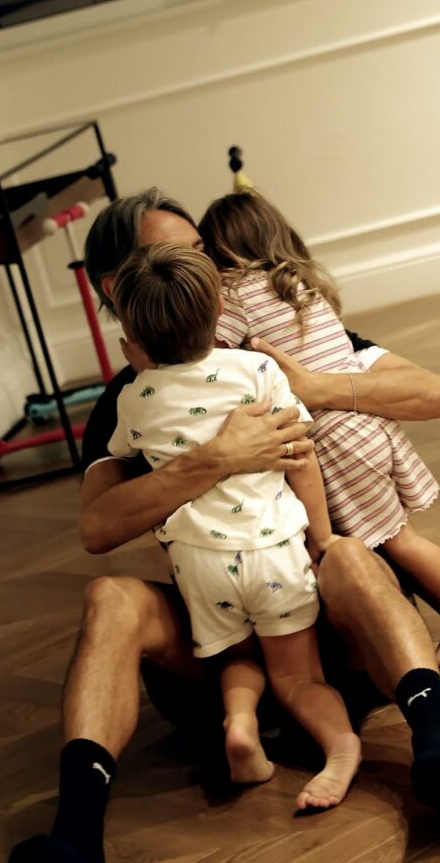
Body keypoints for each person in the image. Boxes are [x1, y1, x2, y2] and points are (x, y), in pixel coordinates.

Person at [10, 188, 440, 863]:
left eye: (200, 252)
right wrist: (214, 459)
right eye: (173, 255)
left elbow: (437, 393)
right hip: (214, 652)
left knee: (350, 555)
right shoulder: (129, 398)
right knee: (109, 598)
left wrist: (314, 386)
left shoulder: (270, 348)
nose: (205, 270)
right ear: (120, 288)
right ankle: (76, 833)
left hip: (332, 632)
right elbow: (97, 527)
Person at [198, 190, 440, 663]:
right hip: (366, 424)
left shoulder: (236, 295)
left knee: (397, 542)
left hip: (335, 437)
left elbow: (206, 351)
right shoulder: (299, 285)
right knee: (386, 537)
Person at [108, 241, 360, 810]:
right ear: (221, 309)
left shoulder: (134, 400)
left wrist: (144, 371)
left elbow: (124, 451)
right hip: (273, 549)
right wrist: (321, 538)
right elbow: (300, 456)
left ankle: (241, 723)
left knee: (238, 658)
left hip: (200, 563)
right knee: (299, 678)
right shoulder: (258, 371)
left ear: (132, 337)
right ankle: (341, 747)